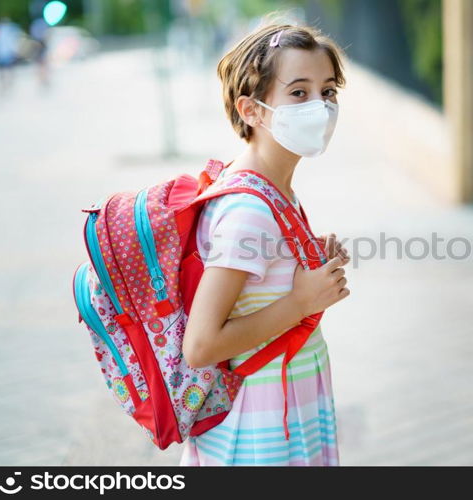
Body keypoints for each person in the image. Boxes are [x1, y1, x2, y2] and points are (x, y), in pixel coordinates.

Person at [179, 22, 351, 466]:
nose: (320, 106)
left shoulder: (272, 187)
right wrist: (299, 302)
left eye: (328, 91)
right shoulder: (249, 209)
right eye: (298, 92)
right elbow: (200, 345)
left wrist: (302, 256)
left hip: (284, 407)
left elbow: (254, 283)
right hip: (260, 430)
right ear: (251, 110)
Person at [0, 16, 22, 94]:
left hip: (3, 52)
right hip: (6, 52)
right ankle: (7, 83)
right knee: (7, 69)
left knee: (3, 69)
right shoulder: (11, 29)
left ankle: (5, 84)